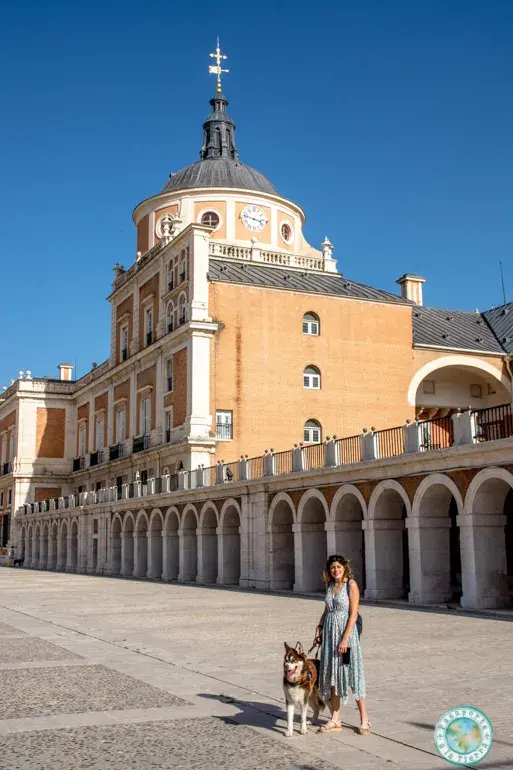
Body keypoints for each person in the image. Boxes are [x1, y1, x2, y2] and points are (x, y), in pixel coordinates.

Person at [313, 554, 370, 734]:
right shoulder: (330, 586)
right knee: (331, 675)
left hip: (346, 638)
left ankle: (365, 720)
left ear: (345, 567)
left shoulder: (351, 585)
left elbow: (353, 614)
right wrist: (319, 628)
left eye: (338, 567)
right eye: (332, 568)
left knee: (350, 672)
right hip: (330, 636)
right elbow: (327, 609)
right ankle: (335, 719)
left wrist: (345, 638)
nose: (335, 570)